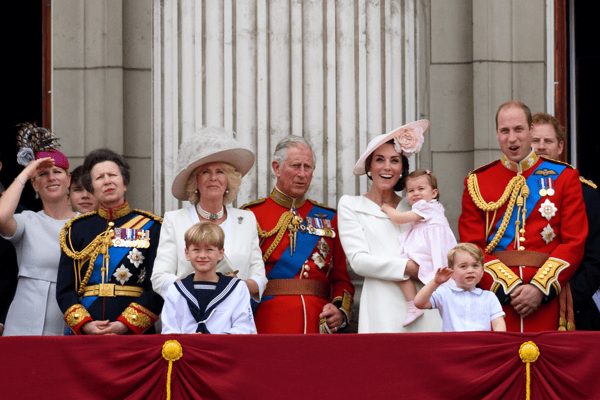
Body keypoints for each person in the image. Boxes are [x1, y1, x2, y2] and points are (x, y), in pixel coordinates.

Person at [459, 101, 588, 332]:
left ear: (531, 130)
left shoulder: (565, 177)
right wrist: (508, 288)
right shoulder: (477, 182)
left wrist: (540, 288)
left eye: (518, 129)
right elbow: (472, 247)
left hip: (548, 301)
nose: (512, 138)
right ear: (497, 134)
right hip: (496, 302)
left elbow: (574, 242)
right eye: (505, 131)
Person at [338, 121, 442, 333]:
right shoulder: (351, 205)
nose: (387, 167)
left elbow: (439, 242)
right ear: (369, 166)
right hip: (381, 303)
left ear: (402, 168)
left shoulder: (415, 206)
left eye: (394, 160)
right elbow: (359, 261)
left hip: (425, 299)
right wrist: (408, 268)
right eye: (379, 160)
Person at [243, 136, 354, 334]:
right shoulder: (251, 215)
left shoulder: (330, 218)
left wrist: (339, 309)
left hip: (318, 322)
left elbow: (341, 279)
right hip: (268, 321)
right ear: (276, 168)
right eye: (295, 166)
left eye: (307, 167)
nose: (302, 174)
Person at [151, 127, 267, 303]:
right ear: (195, 181)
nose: (213, 178)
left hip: (234, 317)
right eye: (205, 171)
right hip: (188, 315)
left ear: (229, 180)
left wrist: (237, 286)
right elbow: (159, 278)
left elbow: (259, 278)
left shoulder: (247, 219)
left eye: (220, 171)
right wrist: (195, 288)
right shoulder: (174, 220)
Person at [57, 149, 163, 335]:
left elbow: (157, 285)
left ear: (125, 183)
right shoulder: (76, 229)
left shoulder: (151, 226)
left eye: (112, 175)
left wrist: (125, 324)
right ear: (92, 189)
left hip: (134, 333)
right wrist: (85, 325)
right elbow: (65, 289)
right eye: (99, 178)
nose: (107, 181)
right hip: (87, 329)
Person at [0, 122, 76, 336]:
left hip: (70, 322)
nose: (51, 178)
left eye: (58, 172)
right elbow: (1, 216)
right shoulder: (27, 220)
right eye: (42, 175)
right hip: (23, 324)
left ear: (68, 179)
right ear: (34, 185)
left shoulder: (85, 223)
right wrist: (27, 172)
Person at [531, 112, 600, 330]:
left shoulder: (585, 193)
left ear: (560, 147)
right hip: (518, 306)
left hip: (571, 310)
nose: (541, 147)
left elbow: (594, 262)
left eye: (548, 141)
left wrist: (557, 300)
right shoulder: (507, 192)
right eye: (535, 141)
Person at [381, 169, 457, 327]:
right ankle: (413, 306)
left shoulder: (426, 206)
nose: (416, 193)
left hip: (430, 253)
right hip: (428, 251)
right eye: (410, 190)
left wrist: (386, 208)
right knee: (399, 269)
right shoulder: (432, 207)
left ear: (434, 193)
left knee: (398, 268)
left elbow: (400, 218)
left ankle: (413, 305)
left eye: (421, 189)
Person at [161, 222, 255, 334]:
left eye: (209, 249)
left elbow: (244, 328)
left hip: (223, 350)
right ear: (187, 253)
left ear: (220, 253)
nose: (202, 255)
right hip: (186, 350)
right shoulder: (175, 290)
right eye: (196, 249)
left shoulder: (237, 288)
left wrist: (210, 342)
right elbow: (169, 332)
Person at [415, 243, 506, 332]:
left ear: (482, 271)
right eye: (463, 266)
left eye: (475, 265)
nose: (470, 271)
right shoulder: (444, 293)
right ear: (452, 273)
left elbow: (498, 324)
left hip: (481, 345)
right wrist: (435, 282)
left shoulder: (489, 297)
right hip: (453, 345)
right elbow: (419, 303)